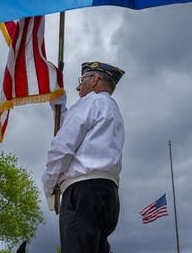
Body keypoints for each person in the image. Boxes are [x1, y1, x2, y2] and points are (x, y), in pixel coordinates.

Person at [42, 61, 125, 253]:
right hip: (108, 192)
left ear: (95, 79)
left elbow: (63, 145)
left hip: (82, 192)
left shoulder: (90, 101)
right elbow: (82, 135)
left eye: (82, 80)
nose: (79, 86)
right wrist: (59, 106)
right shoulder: (112, 109)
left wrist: (49, 184)